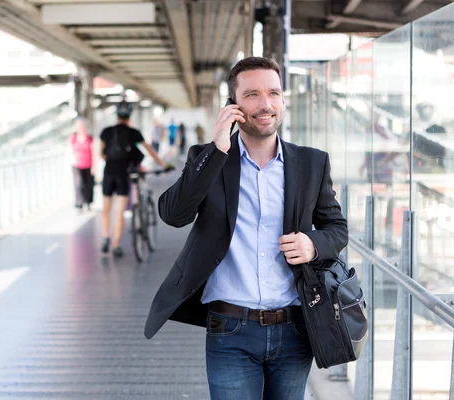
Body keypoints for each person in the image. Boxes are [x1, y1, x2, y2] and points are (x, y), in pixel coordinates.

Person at [144, 57, 348, 400]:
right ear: (233, 105)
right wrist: (219, 147)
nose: (265, 104)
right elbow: (173, 214)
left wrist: (313, 244)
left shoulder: (312, 162)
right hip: (230, 329)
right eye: (252, 94)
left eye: (273, 93)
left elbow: (336, 228)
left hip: (295, 328)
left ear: (283, 100)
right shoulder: (208, 158)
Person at [100, 100, 169, 257]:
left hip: (109, 172)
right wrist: (163, 165)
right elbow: (150, 151)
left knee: (106, 208)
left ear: (117, 115)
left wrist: (111, 161)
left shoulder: (106, 131)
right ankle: (116, 245)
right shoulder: (134, 133)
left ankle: (105, 237)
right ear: (129, 116)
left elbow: (101, 153)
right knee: (120, 211)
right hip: (124, 174)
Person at [69, 118, 94, 212]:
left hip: (88, 164)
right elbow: (69, 150)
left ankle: (88, 202)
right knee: (78, 184)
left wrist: (94, 166)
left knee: (89, 184)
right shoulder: (73, 137)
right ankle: (79, 203)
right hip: (76, 164)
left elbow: (93, 152)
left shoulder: (90, 138)